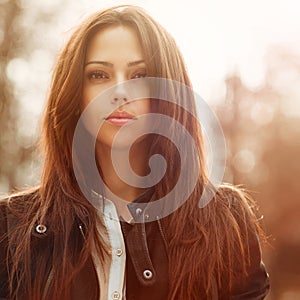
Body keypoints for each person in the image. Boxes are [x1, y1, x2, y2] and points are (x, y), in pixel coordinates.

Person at [0, 5, 270, 300]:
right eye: (98, 75)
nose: (119, 91)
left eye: (139, 74)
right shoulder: (9, 228)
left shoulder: (225, 221)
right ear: (75, 94)